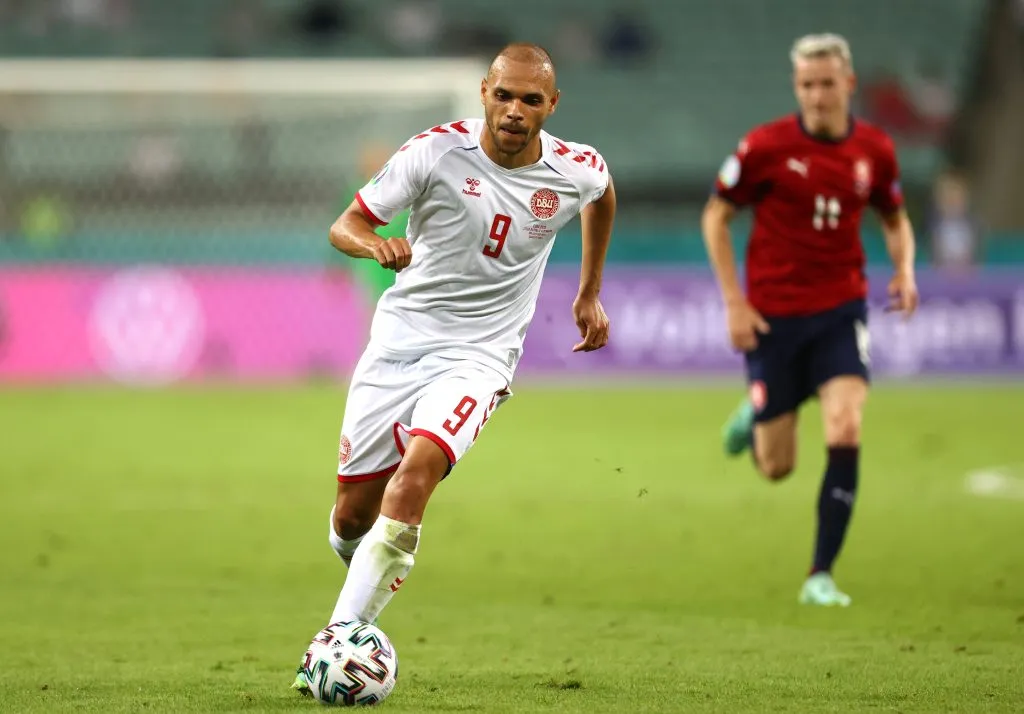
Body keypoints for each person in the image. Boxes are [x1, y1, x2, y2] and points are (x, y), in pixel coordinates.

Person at [293, 42, 615, 690]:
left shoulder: (576, 169)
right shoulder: (435, 152)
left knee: (413, 479)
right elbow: (345, 224)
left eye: (531, 99)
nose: (515, 110)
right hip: (399, 344)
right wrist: (372, 242)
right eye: (504, 95)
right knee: (350, 521)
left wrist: (588, 292)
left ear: (552, 104)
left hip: (481, 356)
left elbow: (602, 197)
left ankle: (332, 645)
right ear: (484, 94)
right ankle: (376, 569)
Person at [702, 33, 919, 607]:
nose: (817, 95)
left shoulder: (875, 149)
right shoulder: (765, 147)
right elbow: (716, 218)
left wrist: (905, 270)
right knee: (777, 467)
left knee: (845, 425)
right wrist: (734, 302)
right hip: (774, 316)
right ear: (796, 87)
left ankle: (820, 574)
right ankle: (759, 410)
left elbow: (894, 217)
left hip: (841, 308)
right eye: (806, 85)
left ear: (847, 85)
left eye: (826, 84)